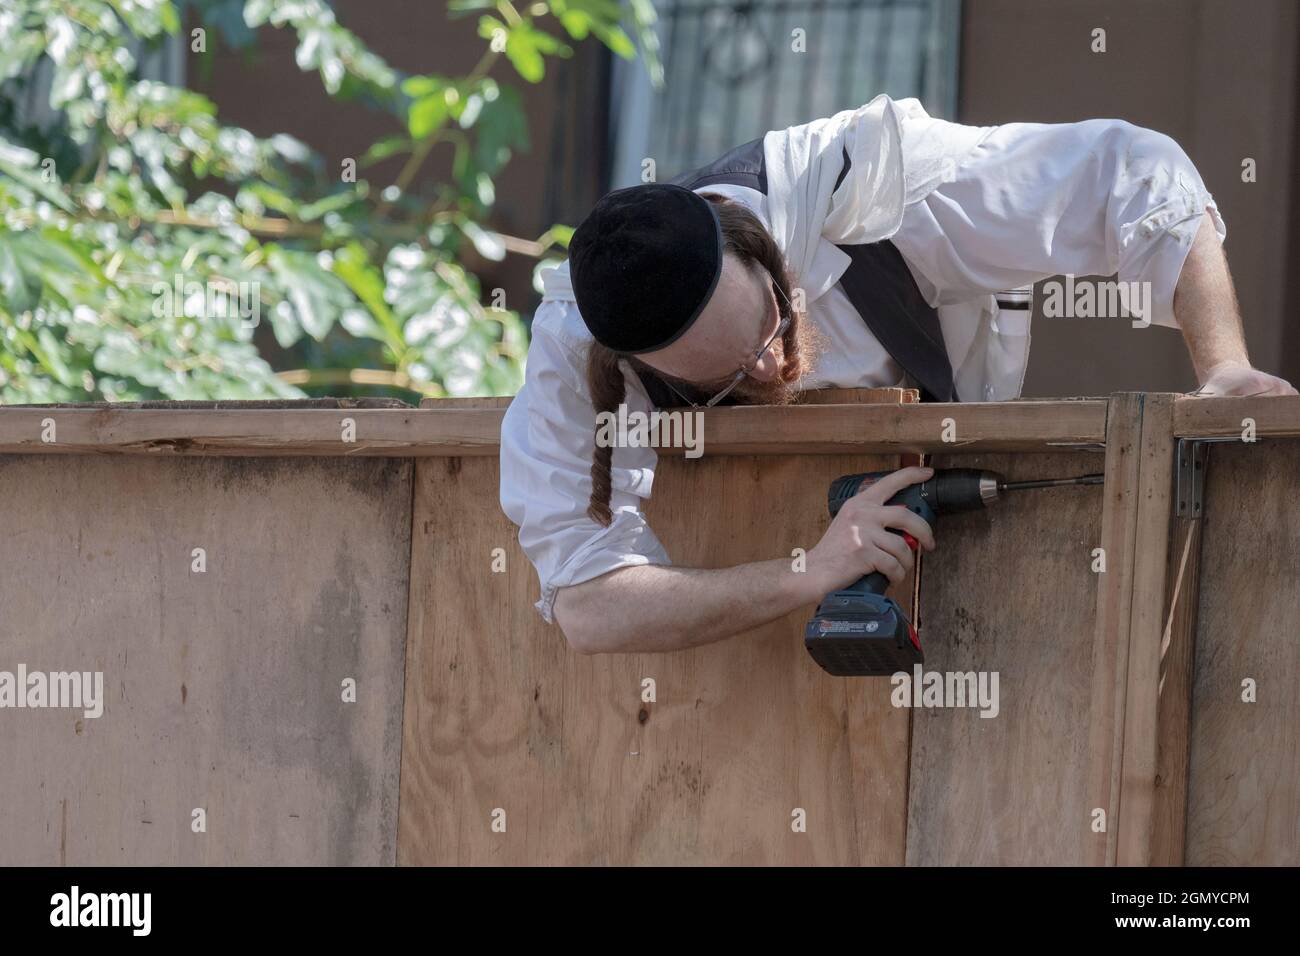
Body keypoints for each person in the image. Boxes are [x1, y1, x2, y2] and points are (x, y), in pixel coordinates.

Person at [499, 95, 1296, 655]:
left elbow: (1133, 170)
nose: (773, 366)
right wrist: (809, 571)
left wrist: (1223, 367)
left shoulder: (869, 185)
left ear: (763, 252)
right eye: (731, 380)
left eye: (775, 326)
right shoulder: (578, 347)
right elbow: (591, 609)